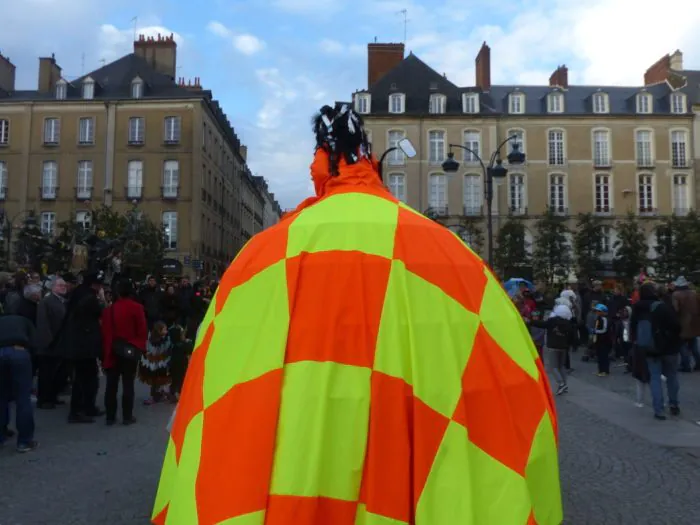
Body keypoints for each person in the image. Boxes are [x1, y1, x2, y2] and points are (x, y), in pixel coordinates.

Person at [152, 104, 563, 524]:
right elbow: (511, 385)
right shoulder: (454, 258)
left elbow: (215, 390)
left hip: (287, 484)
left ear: (321, 164)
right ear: (371, 161)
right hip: (411, 475)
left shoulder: (259, 258)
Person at [630, 282, 681, 420]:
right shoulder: (662, 307)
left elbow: (632, 328)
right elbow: (676, 326)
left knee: (654, 377)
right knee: (672, 376)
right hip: (669, 347)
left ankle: (658, 409)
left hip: (649, 347)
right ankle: (673, 404)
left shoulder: (637, 308)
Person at [101, 278, 148, 426]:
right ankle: (127, 416)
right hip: (130, 350)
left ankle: (110, 416)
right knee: (128, 384)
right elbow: (142, 330)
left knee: (111, 385)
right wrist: (140, 348)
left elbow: (105, 332)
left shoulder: (110, 310)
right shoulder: (137, 308)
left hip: (113, 350)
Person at [62, 271, 105, 423]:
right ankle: (78, 410)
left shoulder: (78, 293)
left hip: (78, 343)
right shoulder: (90, 297)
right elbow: (101, 313)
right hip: (84, 344)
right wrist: (102, 299)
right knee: (84, 378)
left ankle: (87, 407)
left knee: (85, 377)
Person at [0, 312, 39, 453]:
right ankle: (24, 442)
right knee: (23, 398)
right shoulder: (25, 320)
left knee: (1, 397)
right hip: (19, 352)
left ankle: (1, 435)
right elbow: (34, 343)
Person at [35, 277, 68, 408]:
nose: (63, 287)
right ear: (53, 287)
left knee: (57, 373)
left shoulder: (64, 302)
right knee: (46, 374)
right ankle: (44, 399)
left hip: (61, 343)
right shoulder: (46, 302)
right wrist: (47, 341)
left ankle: (53, 396)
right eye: (60, 285)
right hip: (49, 344)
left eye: (64, 285)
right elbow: (43, 323)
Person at [671, 276, 700, 372]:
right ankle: (698, 363)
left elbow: (676, 309)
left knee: (682, 345)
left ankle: (686, 365)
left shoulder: (676, 295)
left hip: (682, 322)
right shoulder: (694, 293)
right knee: (694, 345)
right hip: (694, 322)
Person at [140, 321, 172, 404]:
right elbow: (150, 350)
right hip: (154, 363)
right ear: (159, 330)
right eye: (164, 329)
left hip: (161, 363)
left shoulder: (166, 338)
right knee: (155, 380)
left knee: (161, 379)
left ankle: (161, 393)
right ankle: (154, 396)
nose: (166, 331)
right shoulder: (153, 340)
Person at [592, 303, 611, 376]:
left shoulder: (604, 319)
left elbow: (604, 329)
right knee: (599, 355)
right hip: (599, 339)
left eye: (598, 311)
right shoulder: (598, 318)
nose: (597, 312)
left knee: (604, 355)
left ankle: (605, 371)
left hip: (604, 340)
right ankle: (600, 370)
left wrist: (596, 331)